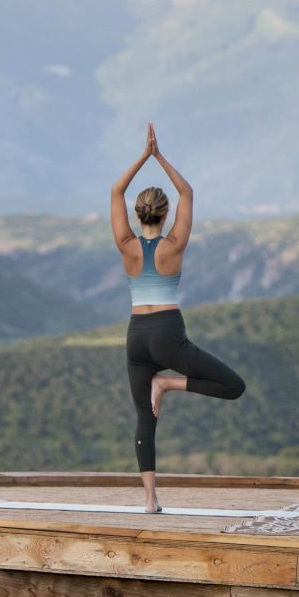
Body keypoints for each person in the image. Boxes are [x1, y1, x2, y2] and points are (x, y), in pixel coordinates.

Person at [110, 123, 246, 513]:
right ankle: (168, 384)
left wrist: (142, 156)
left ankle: (150, 501)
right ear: (165, 214)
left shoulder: (126, 245)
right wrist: (159, 156)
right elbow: (188, 191)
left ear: (138, 215)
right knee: (233, 385)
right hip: (168, 333)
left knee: (143, 419)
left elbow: (115, 190)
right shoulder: (174, 245)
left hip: (136, 335)